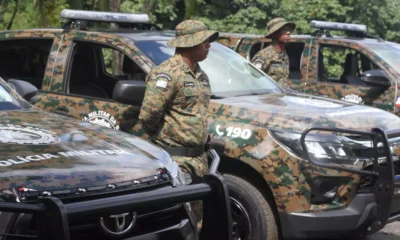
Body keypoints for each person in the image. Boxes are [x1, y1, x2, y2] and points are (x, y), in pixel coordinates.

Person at [138, 20, 219, 229]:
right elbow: (148, 115)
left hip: (199, 161)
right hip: (176, 160)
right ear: (191, 42)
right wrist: (166, 140)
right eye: (205, 41)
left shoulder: (201, 76)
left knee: (198, 222)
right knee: (176, 221)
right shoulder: (166, 73)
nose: (208, 45)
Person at [251, 17, 296, 87]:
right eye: (284, 29)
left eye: (289, 29)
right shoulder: (264, 55)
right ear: (274, 33)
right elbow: (253, 78)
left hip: (282, 95)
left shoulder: (284, 54)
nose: (288, 32)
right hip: (269, 96)